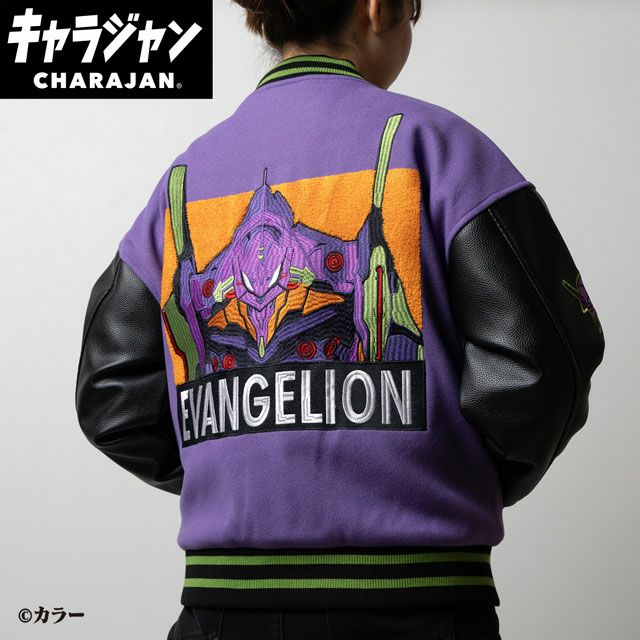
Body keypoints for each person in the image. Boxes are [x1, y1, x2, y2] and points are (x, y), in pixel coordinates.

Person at [74, 1, 606, 638]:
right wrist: (456, 474)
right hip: (423, 602)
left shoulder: (183, 181)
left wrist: (237, 463)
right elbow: (545, 361)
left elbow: (112, 395)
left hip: (222, 607)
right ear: (377, 8)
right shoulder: (439, 148)